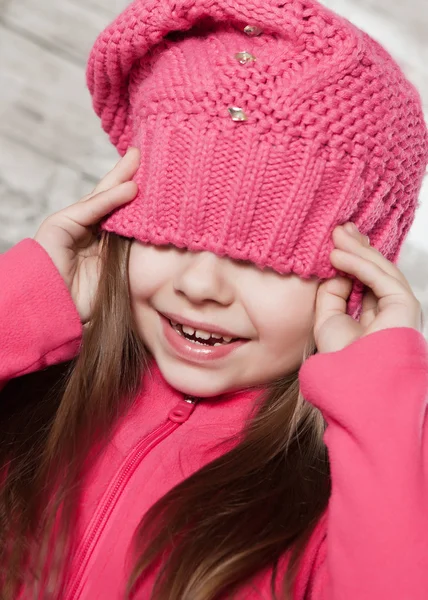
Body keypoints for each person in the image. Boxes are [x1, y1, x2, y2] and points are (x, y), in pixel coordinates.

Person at [0, 0, 427, 598]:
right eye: (170, 233)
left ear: (354, 283)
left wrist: (380, 404)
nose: (200, 286)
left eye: (263, 260)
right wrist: (22, 306)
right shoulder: (34, 392)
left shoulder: (347, 497)